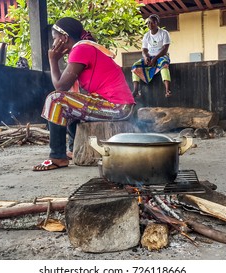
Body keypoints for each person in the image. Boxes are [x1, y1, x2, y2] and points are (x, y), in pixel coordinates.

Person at [33, 17, 135, 171]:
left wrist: (52, 60)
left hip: (117, 107)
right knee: (70, 104)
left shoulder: (81, 49)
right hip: (116, 105)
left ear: (64, 38)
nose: (53, 44)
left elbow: (60, 87)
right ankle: (72, 150)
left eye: (55, 39)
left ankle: (57, 157)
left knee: (55, 100)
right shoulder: (84, 48)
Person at [131, 14, 172, 98]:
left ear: (157, 23)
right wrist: (146, 57)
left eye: (152, 23)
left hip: (161, 56)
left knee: (164, 64)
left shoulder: (164, 33)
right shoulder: (146, 35)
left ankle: (167, 90)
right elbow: (144, 49)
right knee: (135, 65)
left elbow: (165, 49)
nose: (150, 25)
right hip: (150, 57)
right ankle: (135, 90)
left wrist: (155, 59)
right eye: (148, 23)